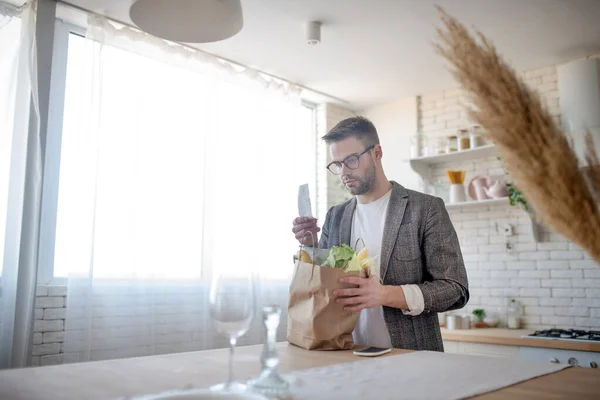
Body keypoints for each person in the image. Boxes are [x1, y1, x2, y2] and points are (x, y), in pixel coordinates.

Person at [292, 116, 469, 352]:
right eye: (337, 164)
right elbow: (321, 286)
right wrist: (309, 247)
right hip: (344, 354)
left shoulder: (425, 209)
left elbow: (455, 289)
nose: (344, 171)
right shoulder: (335, 216)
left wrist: (385, 294)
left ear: (377, 152)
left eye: (352, 160)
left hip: (411, 357)